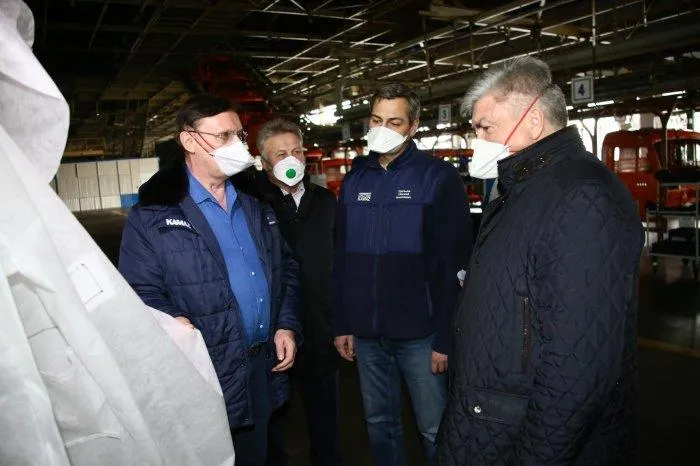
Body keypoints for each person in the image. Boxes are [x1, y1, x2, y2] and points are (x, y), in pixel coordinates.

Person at [436, 57, 643, 465]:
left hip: (519, 435)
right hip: (491, 421)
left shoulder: (582, 198)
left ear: (532, 120)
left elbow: (577, 370)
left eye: (485, 128)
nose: (478, 140)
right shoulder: (525, 189)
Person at [118, 94, 302, 466]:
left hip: (260, 365)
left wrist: (285, 324)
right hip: (202, 372)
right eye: (223, 136)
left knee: (258, 455)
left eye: (239, 136)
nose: (237, 145)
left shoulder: (254, 204)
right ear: (189, 141)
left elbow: (285, 268)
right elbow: (139, 291)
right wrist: (172, 322)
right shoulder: (153, 215)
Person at [332, 83, 473, 466]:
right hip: (366, 333)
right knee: (380, 424)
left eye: (394, 122)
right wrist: (342, 322)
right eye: (377, 120)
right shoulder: (354, 181)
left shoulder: (438, 178)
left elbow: (455, 265)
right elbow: (341, 258)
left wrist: (445, 336)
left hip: (420, 335)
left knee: (434, 428)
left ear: (413, 125)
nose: (383, 129)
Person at [245, 118, 341, 466]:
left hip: (320, 328)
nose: (291, 159)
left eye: (297, 151)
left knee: (326, 418)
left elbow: (340, 260)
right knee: (273, 419)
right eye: (280, 153)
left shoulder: (325, 201)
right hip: (275, 330)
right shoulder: (251, 205)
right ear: (263, 161)